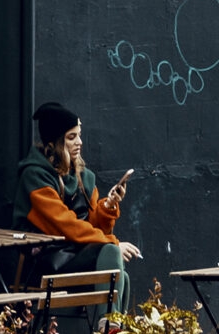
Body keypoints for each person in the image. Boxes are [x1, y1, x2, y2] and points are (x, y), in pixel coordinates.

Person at [8, 101, 137, 314]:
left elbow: (92, 226)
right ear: (54, 142)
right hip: (46, 261)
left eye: (79, 135)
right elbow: (65, 225)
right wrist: (113, 243)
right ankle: (111, 333)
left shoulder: (83, 177)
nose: (79, 142)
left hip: (75, 255)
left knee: (122, 276)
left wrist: (107, 206)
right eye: (71, 137)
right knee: (111, 254)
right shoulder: (35, 176)